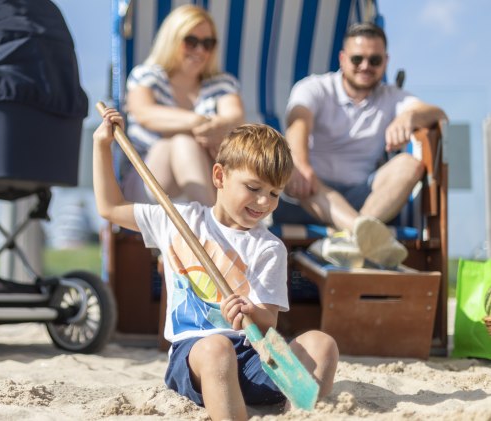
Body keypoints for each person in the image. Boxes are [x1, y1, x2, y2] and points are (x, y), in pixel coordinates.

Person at [94, 107, 339, 421]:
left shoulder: (268, 247)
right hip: (197, 356)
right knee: (217, 349)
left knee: (322, 344)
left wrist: (251, 312)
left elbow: (268, 322)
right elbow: (111, 207)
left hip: (254, 358)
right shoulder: (179, 220)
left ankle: (297, 414)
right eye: (253, 188)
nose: (264, 202)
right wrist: (102, 145)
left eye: (274, 193)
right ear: (220, 176)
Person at [274, 22, 447, 268]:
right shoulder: (315, 87)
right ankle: (364, 234)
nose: (365, 66)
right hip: (309, 193)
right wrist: (299, 163)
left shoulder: (392, 97)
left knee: (409, 164)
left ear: (385, 62)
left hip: (362, 197)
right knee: (298, 172)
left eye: (374, 60)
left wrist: (410, 117)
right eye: (357, 59)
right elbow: (298, 123)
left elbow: (439, 114)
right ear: (343, 59)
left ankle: (349, 239)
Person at [121, 4, 245, 207]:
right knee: (182, 141)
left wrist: (215, 128)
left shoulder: (222, 83)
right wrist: (198, 123)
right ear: (171, 39)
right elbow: (145, 113)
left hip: (205, 177)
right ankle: (215, 227)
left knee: (185, 142)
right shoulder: (146, 76)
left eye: (208, 43)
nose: (200, 50)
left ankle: (210, 226)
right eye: (191, 41)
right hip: (149, 181)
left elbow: (235, 119)